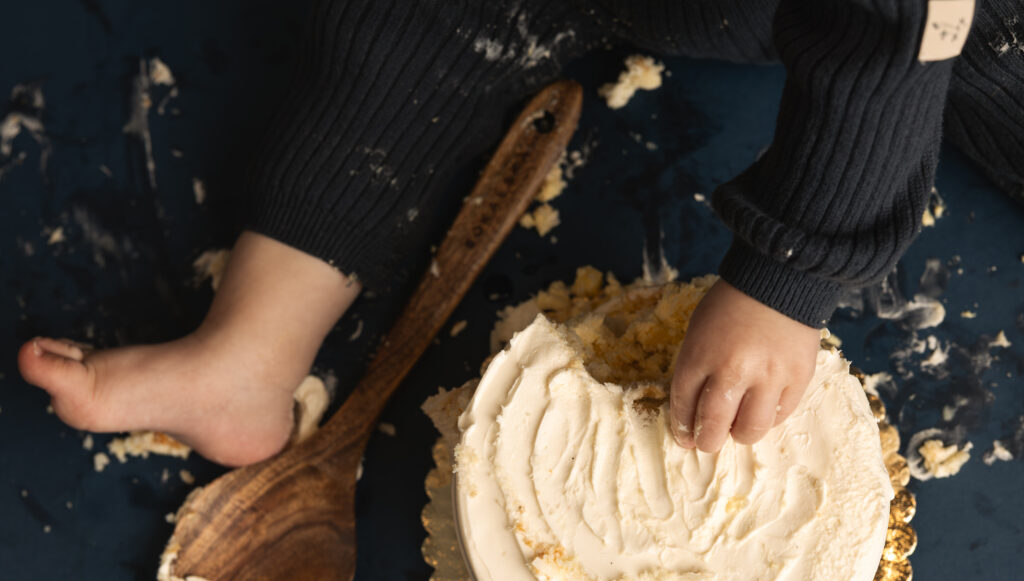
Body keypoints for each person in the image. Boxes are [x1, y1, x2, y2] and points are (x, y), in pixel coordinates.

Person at [18, 0, 1022, 465]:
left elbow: (897, 52)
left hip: (931, 23)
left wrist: (782, 283)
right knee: (398, 42)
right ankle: (244, 361)